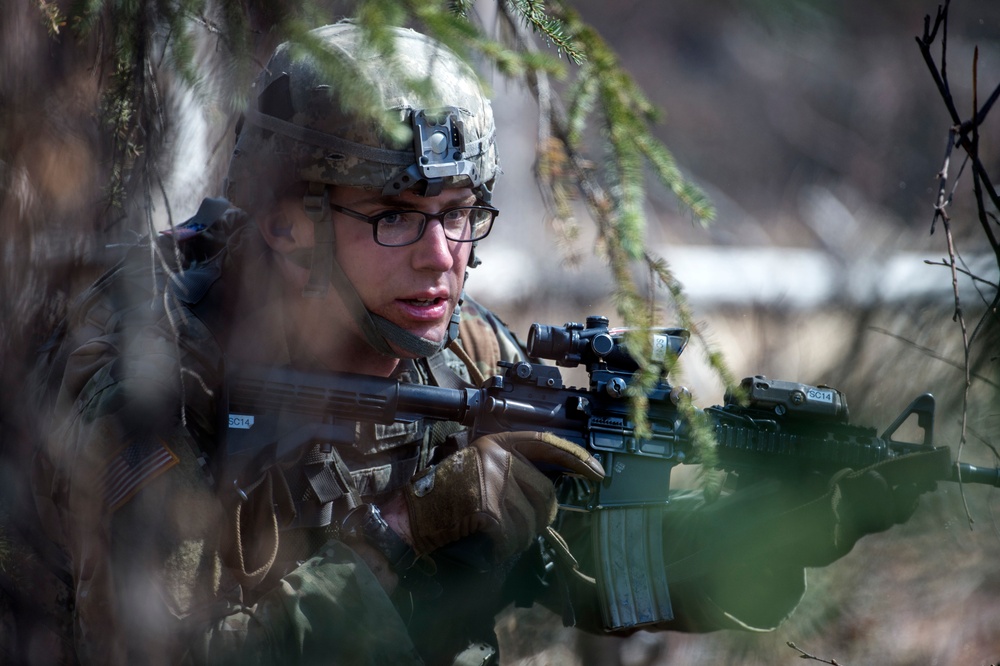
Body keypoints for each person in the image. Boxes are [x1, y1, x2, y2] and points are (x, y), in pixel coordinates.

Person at [25, 22, 945, 666]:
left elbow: (601, 574)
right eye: (393, 216)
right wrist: (414, 540)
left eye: (459, 215)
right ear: (284, 225)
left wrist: (781, 528)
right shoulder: (138, 368)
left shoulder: (465, 360)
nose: (442, 260)